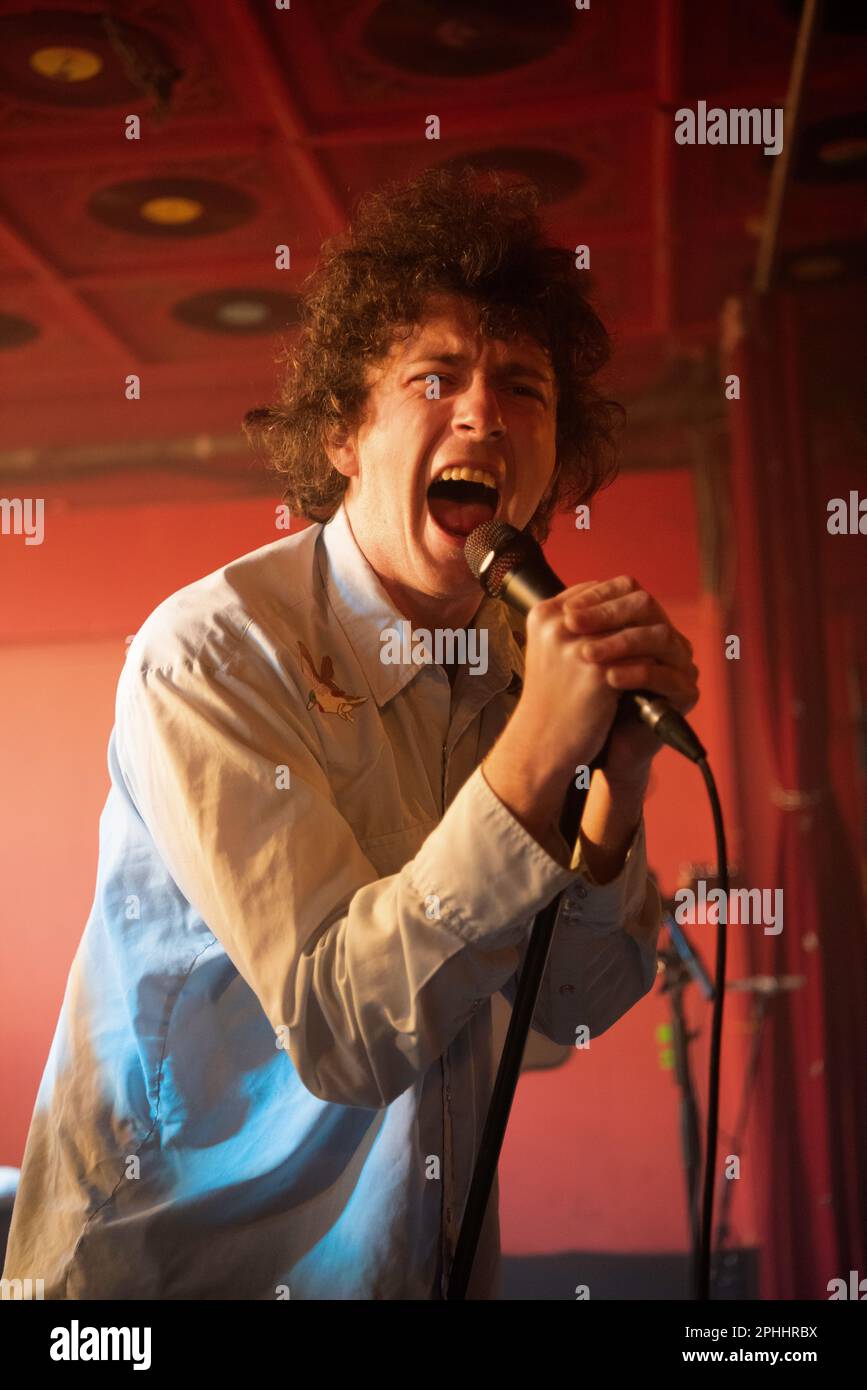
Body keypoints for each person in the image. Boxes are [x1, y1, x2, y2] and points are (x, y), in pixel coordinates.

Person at [4, 167, 699, 1300]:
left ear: (552, 461)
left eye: (523, 388)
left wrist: (611, 791)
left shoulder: (530, 669)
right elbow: (341, 1030)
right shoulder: (213, 655)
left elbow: (564, 1012)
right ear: (342, 429)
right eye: (437, 376)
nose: (484, 412)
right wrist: (537, 755)